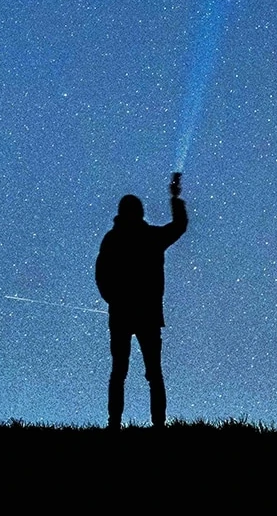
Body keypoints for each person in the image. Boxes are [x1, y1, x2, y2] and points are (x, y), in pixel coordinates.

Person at [94, 173, 188, 429]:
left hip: (123, 313)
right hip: (144, 313)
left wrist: (113, 299)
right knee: (151, 374)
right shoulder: (150, 238)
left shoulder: (113, 239)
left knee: (121, 373)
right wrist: (175, 198)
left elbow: (101, 274)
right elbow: (179, 226)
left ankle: (115, 424)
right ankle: (157, 425)